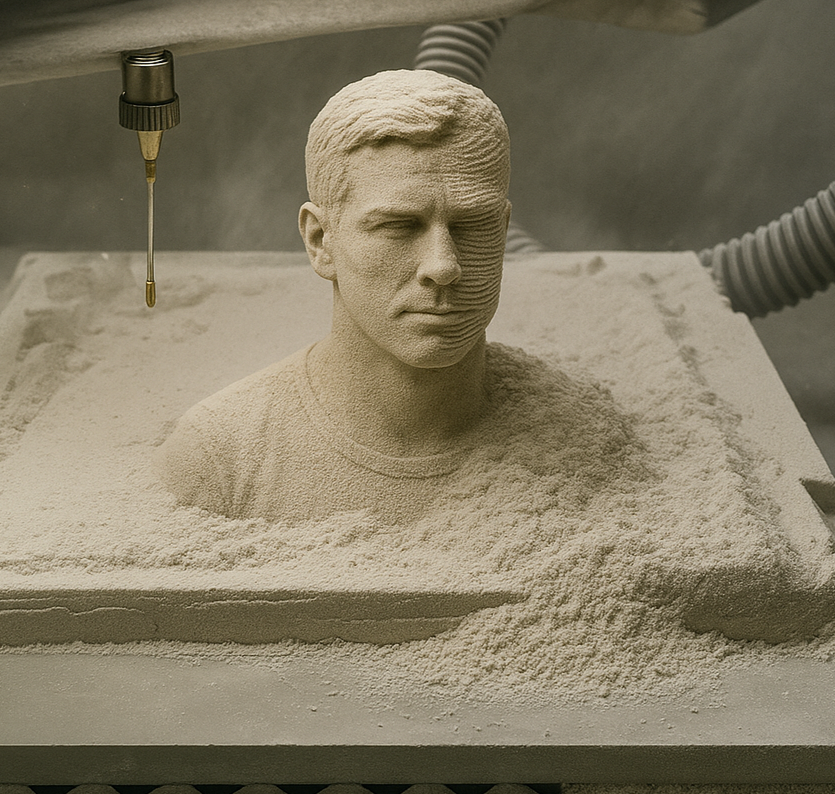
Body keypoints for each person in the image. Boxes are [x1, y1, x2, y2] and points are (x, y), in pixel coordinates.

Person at [155, 69, 632, 524]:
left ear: (504, 229)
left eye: (473, 225)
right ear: (321, 242)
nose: (444, 266)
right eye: (399, 226)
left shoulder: (589, 442)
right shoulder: (218, 460)